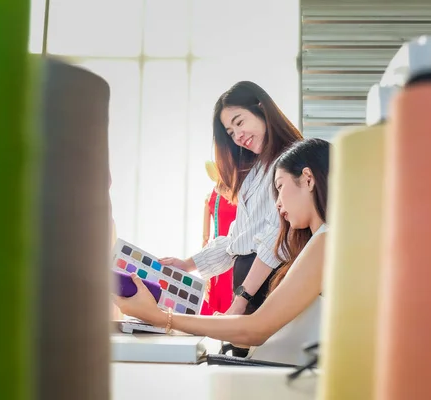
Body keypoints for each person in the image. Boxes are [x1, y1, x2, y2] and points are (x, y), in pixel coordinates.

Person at [115, 139, 331, 365]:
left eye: (279, 186)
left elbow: (257, 329)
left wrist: (161, 318)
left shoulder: (326, 241)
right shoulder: (320, 242)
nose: (277, 203)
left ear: (307, 179)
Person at [160, 81, 303, 316]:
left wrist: (241, 299)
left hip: (269, 286)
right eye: (231, 132)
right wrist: (187, 264)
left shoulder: (288, 163)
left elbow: (277, 237)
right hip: (251, 289)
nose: (238, 136)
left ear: (261, 109)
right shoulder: (255, 171)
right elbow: (235, 241)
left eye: (239, 122)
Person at [201, 161, 237, 316]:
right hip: (233, 252)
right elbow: (205, 238)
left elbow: (205, 238)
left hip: (221, 253)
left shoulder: (213, 197)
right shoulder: (236, 195)